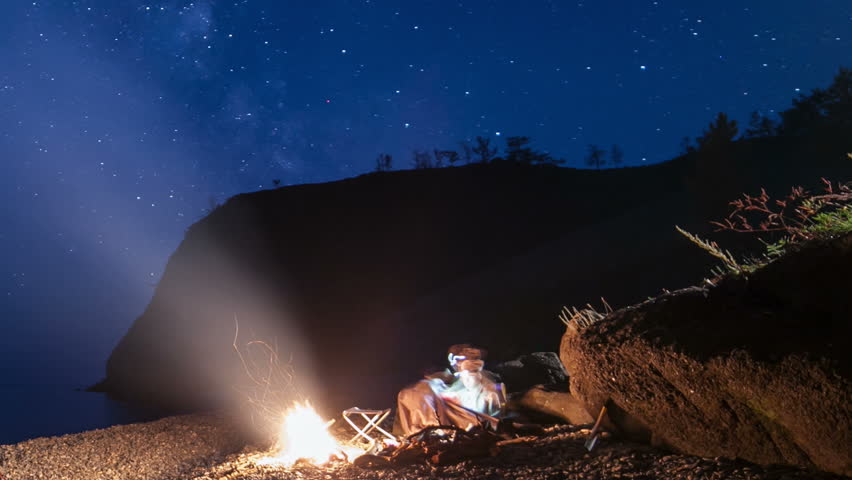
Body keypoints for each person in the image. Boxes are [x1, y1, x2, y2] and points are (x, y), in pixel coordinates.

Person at [394, 344, 506, 437]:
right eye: (463, 358)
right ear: (452, 359)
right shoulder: (436, 383)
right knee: (418, 391)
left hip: (470, 424)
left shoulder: (487, 384)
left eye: (475, 358)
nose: (471, 361)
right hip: (441, 422)